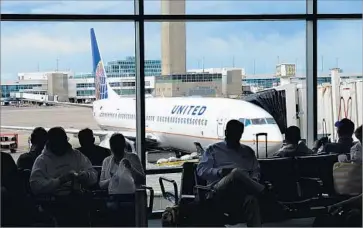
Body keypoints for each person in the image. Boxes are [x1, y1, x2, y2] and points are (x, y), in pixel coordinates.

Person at [196, 119, 264, 227]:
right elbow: (201, 170)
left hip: (242, 190)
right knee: (236, 173)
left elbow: (256, 170)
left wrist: (254, 179)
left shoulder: (248, 151)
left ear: (240, 134)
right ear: (226, 133)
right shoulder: (213, 149)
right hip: (219, 189)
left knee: (251, 201)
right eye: (233, 133)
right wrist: (219, 172)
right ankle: (264, 192)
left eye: (237, 133)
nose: (235, 136)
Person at [30, 127, 98, 195]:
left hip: (77, 198)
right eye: (57, 142)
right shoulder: (42, 160)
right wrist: (60, 181)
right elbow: (36, 186)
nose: (60, 145)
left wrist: (86, 176)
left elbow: (94, 176)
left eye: (62, 141)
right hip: (52, 200)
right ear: (50, 142)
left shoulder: (77, 155)